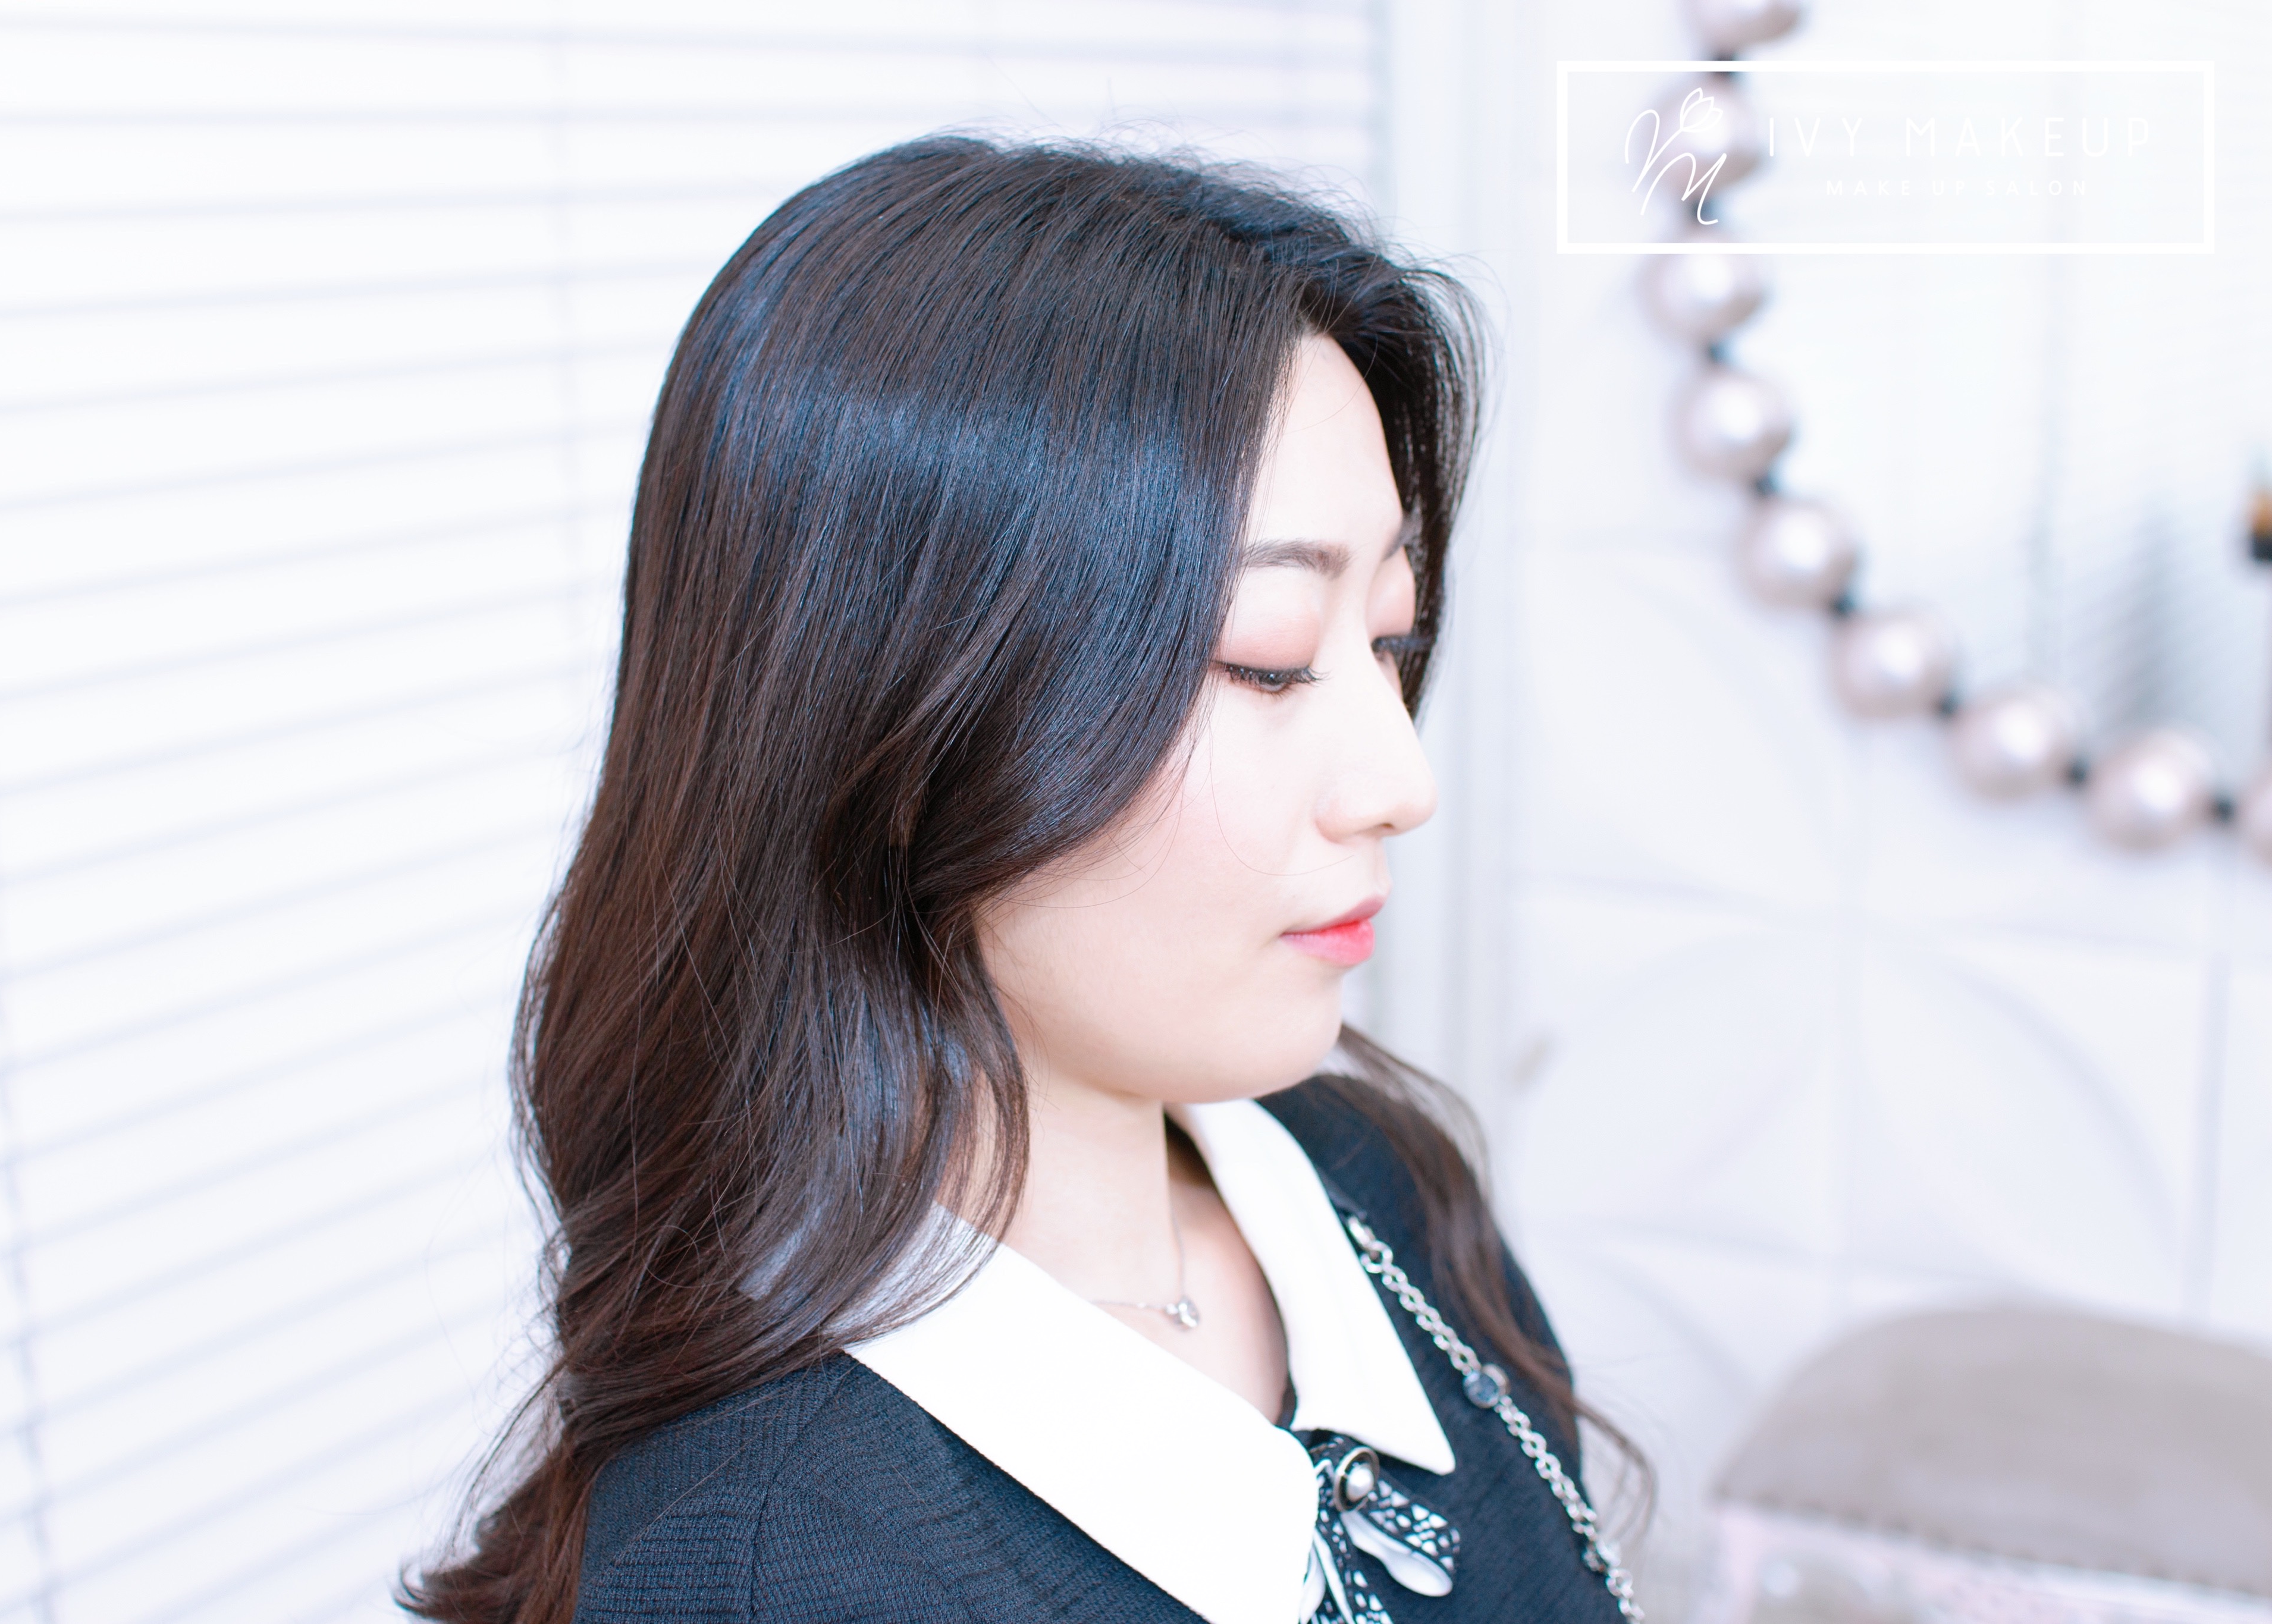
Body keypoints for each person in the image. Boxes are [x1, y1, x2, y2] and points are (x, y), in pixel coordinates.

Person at [403, 134, 1642, 1624]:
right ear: (897, 723)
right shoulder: (770, 1563)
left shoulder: (1370, 1178)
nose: (1399, 778)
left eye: (1386, 638)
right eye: (1265, 659)